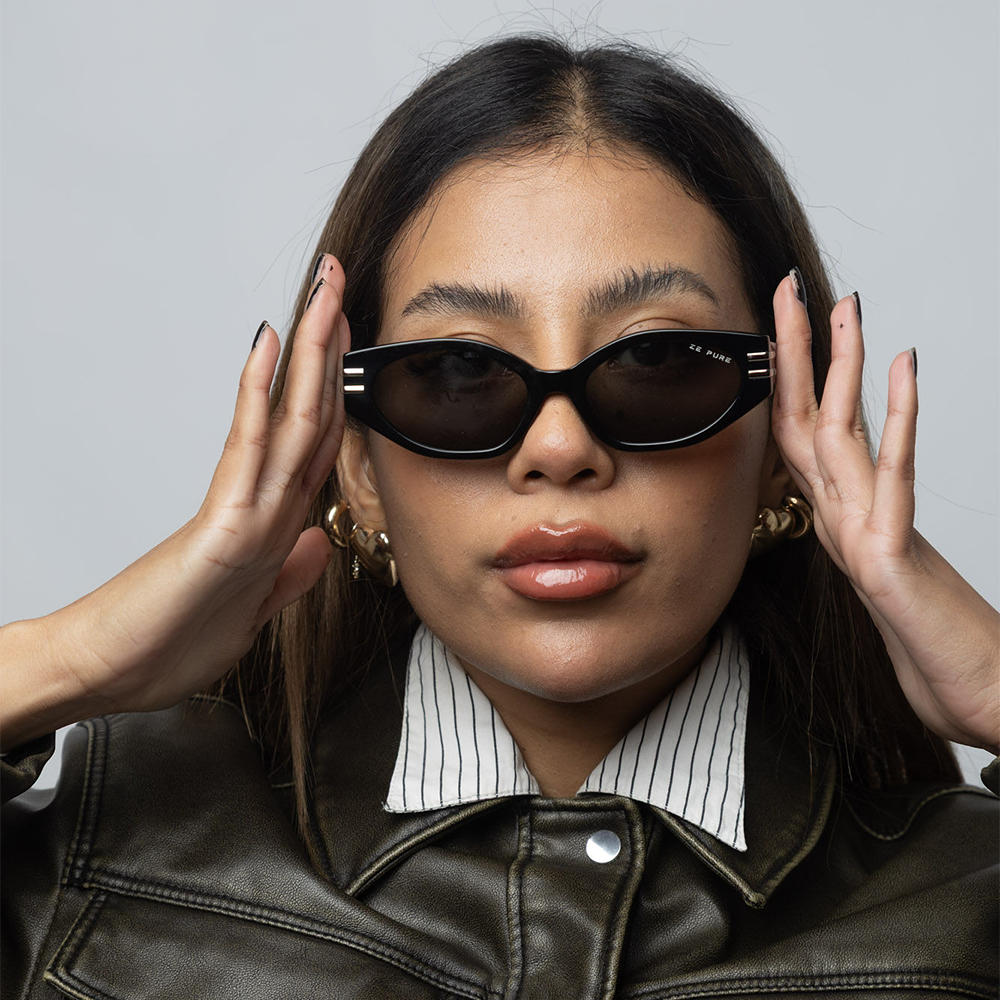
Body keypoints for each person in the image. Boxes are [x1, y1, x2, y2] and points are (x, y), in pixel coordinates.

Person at [3, 33, 1000, 996]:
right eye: (456, 370)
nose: (559, 448)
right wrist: (67, 660)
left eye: (655, 360)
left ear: (789, 443)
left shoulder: (967, 902)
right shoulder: (84, 864)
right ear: (355, 464)